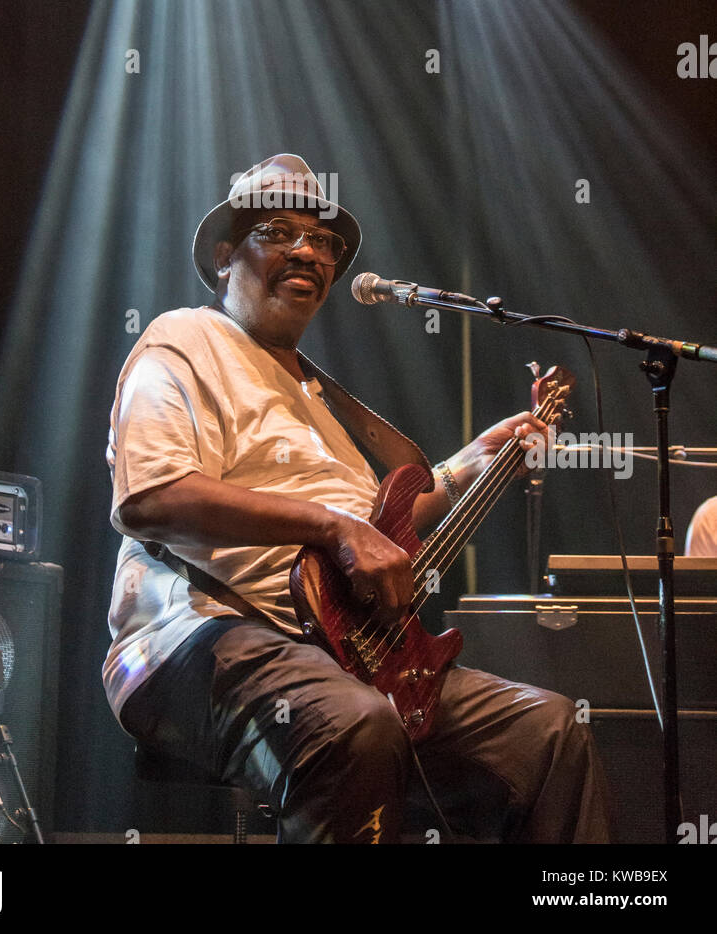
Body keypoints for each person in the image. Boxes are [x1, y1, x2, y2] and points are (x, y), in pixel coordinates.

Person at [103, 154, 611, 844]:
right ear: (225, 256)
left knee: (551, 731)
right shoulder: (186, 339)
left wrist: (472, 463)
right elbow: (149, 496)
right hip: (199, 636)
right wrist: (333, 527)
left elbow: (380, 527)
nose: (309, 251)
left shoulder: (320, 399)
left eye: (324, 242)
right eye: (279, 232)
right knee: (357, 724)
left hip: (349, 652)